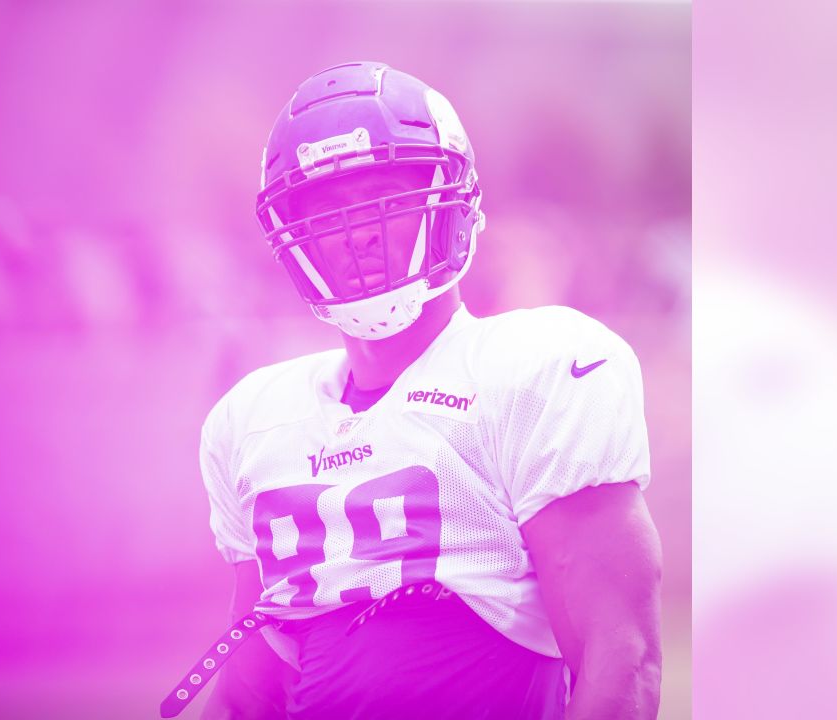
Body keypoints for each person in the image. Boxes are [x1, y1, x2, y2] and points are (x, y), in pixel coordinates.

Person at [171, 61, 662, 720]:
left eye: (386, 197)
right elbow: (250, 693)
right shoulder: (254, 421)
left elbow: (619, 659)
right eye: (327, 210)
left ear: (451, 202)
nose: (358, 232)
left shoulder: (536, 371)